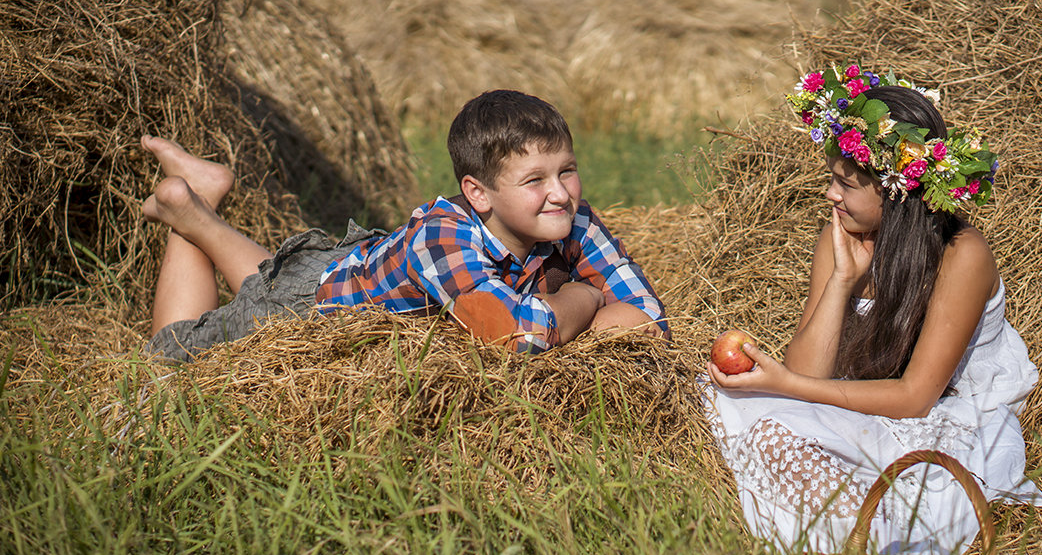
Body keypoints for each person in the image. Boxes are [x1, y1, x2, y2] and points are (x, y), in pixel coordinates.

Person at [702, 63, 1042, 555]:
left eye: (848, 183)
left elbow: (914, 397)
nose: (830, 195)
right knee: (726, 403)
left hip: (944, 414)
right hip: (859, 397)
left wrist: (782, 387)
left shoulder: (960, 254)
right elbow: (807, 371)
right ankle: (835, 532)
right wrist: (842, 282)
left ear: (895, 190)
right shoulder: (841, 236)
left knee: (779, 423)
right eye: (831, 179)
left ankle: (862, 538)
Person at [143, 89, 669, 362]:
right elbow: (517, 335)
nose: (560, 192)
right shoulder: (442, 236)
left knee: (272, 278)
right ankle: (179, 209)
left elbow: (648, 315)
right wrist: (586, 297)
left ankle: (199, 203)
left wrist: (588, 318)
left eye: (567, 171)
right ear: (477, 193)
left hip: (355, 268)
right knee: (167, 359)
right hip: (312, 310)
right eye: (535, 179)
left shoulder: (569, 216)